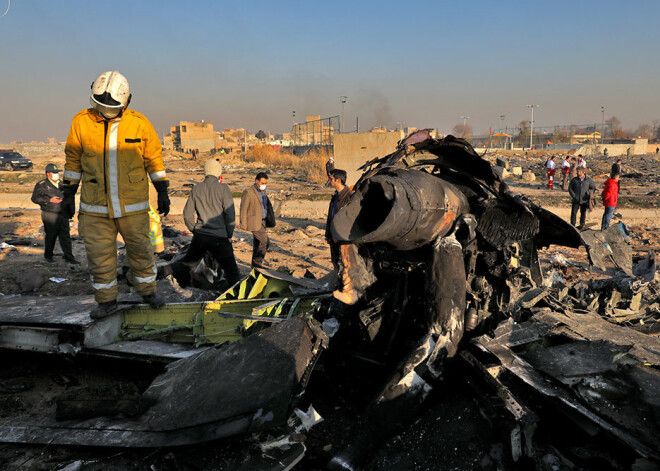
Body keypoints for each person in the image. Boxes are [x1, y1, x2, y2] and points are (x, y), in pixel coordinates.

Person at [63, 70, 169, 318]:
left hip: (132, 207)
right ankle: (106, 301)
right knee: (100, 258)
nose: (106, 110)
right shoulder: (81, 121)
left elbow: (154, 158)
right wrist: (68, 193)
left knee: (142, 252)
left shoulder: (140, 123)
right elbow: (72, 160)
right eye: (101, 105)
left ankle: (147, 292)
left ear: (127, 101)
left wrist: (162, 189)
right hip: (94, 207)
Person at [166, 159, 240, 287]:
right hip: (220, 238)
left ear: (205, 172)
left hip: (201, 236)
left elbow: (187, 214)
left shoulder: (197, 189)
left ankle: (179, 285)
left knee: (188, 264)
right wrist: (228, 234)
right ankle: (235, 295)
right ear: (219, 173)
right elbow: (230, 215)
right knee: (232, 270)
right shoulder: (224, 189)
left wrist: (194, 230)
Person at [31, 163, 79, 264]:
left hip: (63, 214)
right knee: (51, 236)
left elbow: (68, 198)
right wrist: (49, 200)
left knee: (65, 237)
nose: (57, 174)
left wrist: (70, 211)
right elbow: (35, 198)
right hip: (49, 214)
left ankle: (69, 257)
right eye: (55, 173)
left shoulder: (62, 184)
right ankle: (48, 255)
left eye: (57, 172)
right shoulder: (42, 185)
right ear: (48, 174)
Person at [240, 172, 273, 268]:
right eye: (262, 183)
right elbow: (243, 209)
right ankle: (258, 263)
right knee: (265, 242)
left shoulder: (263, 192)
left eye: (265, 183)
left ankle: (254, 265)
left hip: (263, 221)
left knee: (257, 243)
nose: (264, 185)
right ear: (257, 181)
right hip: (254, 221)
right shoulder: (248, 192)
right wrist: (244, 224)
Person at [325, 169, 352, 270]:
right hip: (334, 237)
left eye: (331, 179)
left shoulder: (350, 198)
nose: (329, 181)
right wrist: (328, 235)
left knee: (345, 266)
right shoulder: (335, 196)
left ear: (338, 180)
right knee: (336, 263)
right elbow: (330, 217)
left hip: (344, 240)